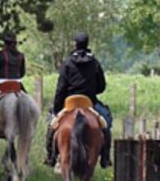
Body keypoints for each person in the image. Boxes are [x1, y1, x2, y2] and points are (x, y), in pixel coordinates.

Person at [45, 32, 112, 168]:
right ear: (87, 44)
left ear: (75, 44)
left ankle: (51, 156)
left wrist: (57, 108)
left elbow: (61, 88)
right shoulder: (94, 62)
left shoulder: (67, 62)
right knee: (106, 124)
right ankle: (105, 157)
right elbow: (102, 86)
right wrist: (91, 91)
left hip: (69, 103)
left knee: (52, 125)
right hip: (89, 102)